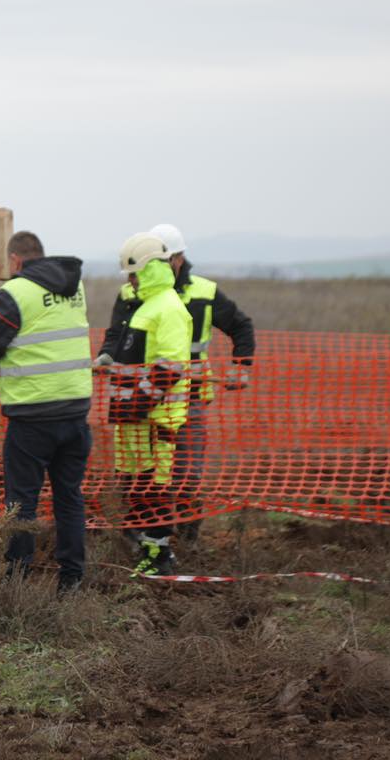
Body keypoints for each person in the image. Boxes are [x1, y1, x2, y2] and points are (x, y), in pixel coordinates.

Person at [0, 230, 93, 593]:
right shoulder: (75, 288)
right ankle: (71, 580)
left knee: (21, 502)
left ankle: (17, 580)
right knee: (69, 497)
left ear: (16, 261)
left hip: (33, 417)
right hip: (75, 412)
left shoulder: (14, 294)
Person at [148, 223, 255, 543]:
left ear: (179, 259)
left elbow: (241, 326)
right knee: (150, 469)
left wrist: (241, 366)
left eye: (165, 260)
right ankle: (149, 531)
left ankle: (188, 534)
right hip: (149, 397)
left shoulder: (205, 293)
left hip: (191, 398)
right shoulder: (136, 291)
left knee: (187, 471)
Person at [99, 232, 191, 577]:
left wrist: (137, 404)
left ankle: (159, 557)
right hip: (133, 420)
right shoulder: (146, 306)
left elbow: (170, 366)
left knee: (154, 488)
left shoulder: (167, 308)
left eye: (134, 274)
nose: (130, 281)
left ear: (151, 269)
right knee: (134, 483)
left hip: (155, 421)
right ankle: (141, 547)